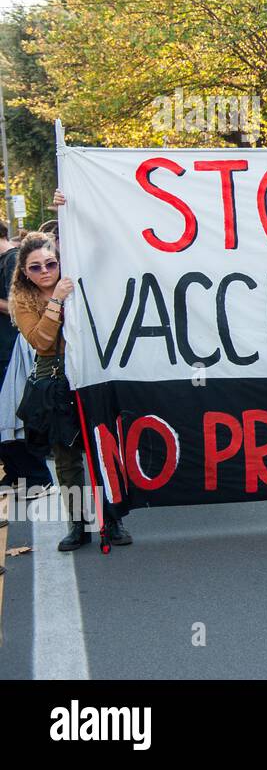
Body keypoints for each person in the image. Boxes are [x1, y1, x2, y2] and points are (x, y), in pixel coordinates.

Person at [10, 231, 131, 550]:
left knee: (101, 448)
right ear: (25, 271)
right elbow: (41, 341)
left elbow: (106, 248)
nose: (45, 271)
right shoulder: (22, 300)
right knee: (66, 456)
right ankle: (78, 525)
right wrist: (56, 301)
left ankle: (113, 519)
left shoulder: (80, 280)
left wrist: (74, 203)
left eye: (51, 263)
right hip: (53, 380)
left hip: (91, 372)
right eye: (36, 267)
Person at [0, 219, 53, 494]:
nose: (44, 270)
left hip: (14, 353)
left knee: (16, 416)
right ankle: (17, 473)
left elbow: (23, 307)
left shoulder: (11, 262)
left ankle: (36, 476)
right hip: (10, 351)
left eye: (49, 265)